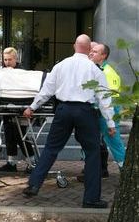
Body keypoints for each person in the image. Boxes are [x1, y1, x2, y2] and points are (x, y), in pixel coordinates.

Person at [22, 34, 115, 209]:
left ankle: (34, 184)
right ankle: (91, 198)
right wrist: (110, 124)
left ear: (74, 46)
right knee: (93, 153)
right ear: (89, 50)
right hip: (86, 112)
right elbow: (104, 97)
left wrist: (32, 107)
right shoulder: (95, 69)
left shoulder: (60, 66)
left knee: (51, 148)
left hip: (63, 110)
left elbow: (46, 90)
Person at [79, 43, 126, 176]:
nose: (90, 53)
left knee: (113, 140)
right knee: (95, 140)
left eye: (94, 51)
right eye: (90, 50)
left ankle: (126, 170)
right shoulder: (94, 69)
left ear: (103, 56)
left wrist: (109, 118)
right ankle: (97, 169)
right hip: (96, 109)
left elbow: (107, 97)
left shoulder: (108, 72)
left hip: (108, 108)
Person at [0, 47, 36, 173]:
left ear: (15, 59)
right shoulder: (2, 71)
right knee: (9, 135)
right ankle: (11, 162)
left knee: (21, 135)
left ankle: (32, 162)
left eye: (9, 59)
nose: (7, 62)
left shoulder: (22, 72)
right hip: (7, 107)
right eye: (5, 60)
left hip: (20, 108)